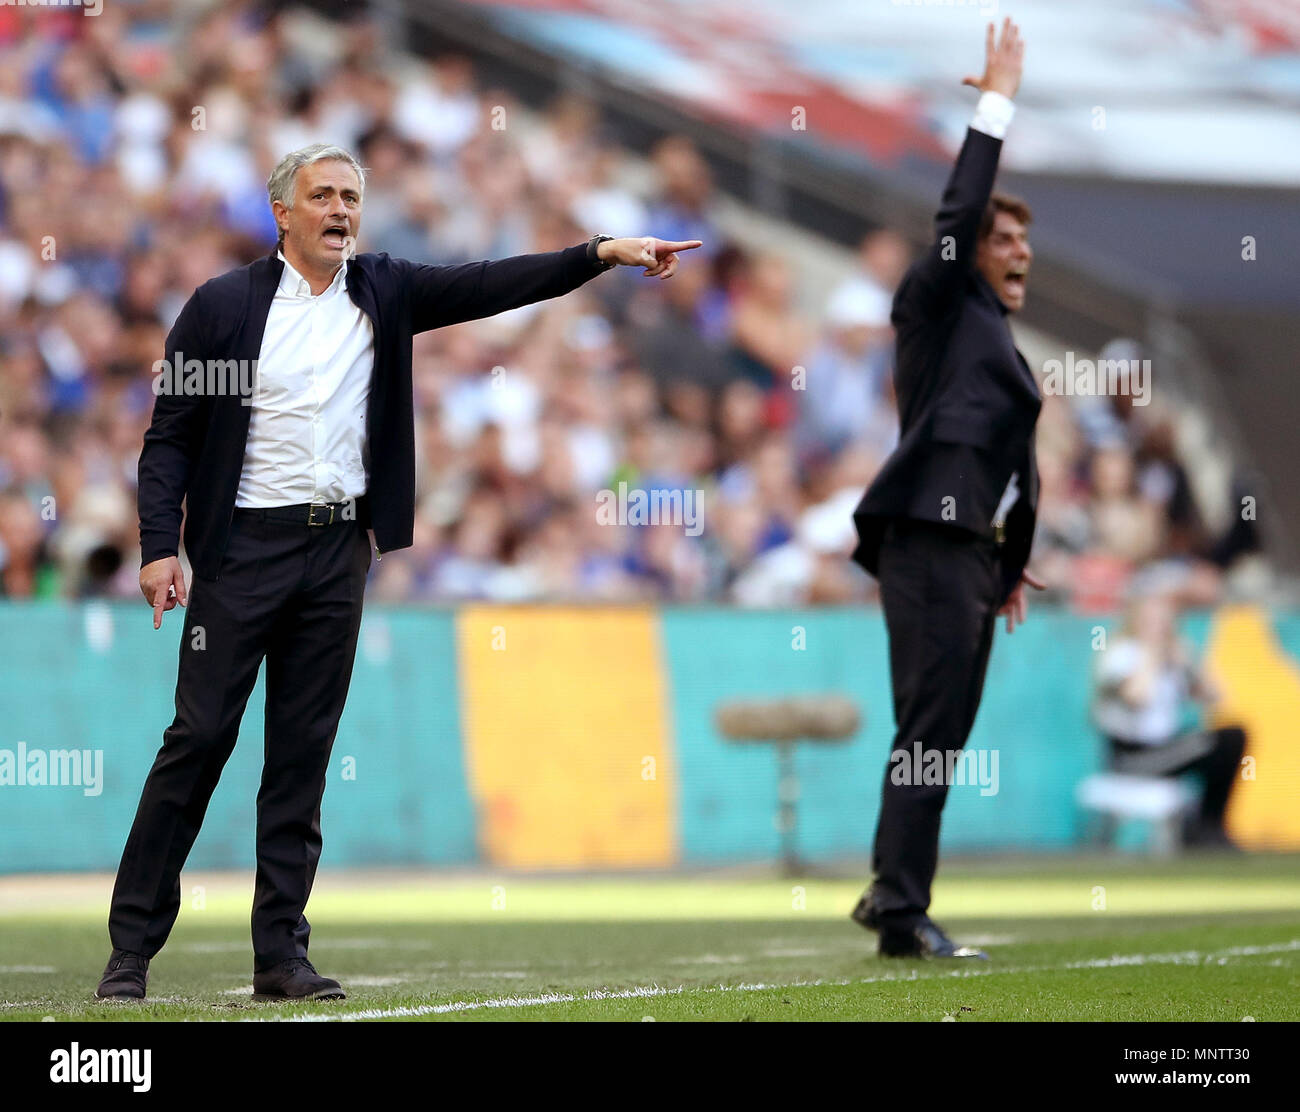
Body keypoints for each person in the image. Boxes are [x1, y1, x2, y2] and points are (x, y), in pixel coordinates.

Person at [95, 142, 701, 1001]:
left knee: (302, 757)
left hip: (337, 553)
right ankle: (130, 952)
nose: (341, 210)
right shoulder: (224, 307)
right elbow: (170, 437)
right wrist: (162, 545)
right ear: (283, 212)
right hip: (241, 556)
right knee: (197, 741)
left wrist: (601, 253)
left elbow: (495, 281)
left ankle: (280, 956)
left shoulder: (386, 289)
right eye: (323, 196)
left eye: (351, 196)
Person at [847, 20, 1044, 960]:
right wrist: (995, 103)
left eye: (1024, 242)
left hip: (968, 556)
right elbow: (957, 214)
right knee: (928, 726)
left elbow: (1015, 461)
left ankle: (897, 897)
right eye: (1003, 238)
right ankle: (897, 906)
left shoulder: (998, 340)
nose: (1018, 252)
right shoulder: (939, 301)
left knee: (942, 732)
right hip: (926, 541)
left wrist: (1013, 560)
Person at [1092, 592, 1246, 849]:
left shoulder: (1174, 657)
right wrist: (1152, 655)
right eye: (1151, 621)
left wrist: (1190, 665)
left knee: (1231, 738)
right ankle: (1202, 830)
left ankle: (1208, 825)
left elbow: (1216, 697)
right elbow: (1136, 698)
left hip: (1166, 748)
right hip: (1132, 755)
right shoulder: (1119, 654)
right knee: (1214, 744)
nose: (1159, 627)